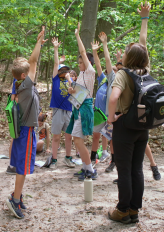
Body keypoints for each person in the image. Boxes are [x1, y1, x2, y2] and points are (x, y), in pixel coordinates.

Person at [107, 2, 151, 224]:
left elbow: (114, 98)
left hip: (124, 126)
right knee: (136, 169)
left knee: (123, 170)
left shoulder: (123, 74)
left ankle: (122, 209)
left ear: (128, 58)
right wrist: (144, 19)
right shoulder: (145, 71)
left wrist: (110, 118)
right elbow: (142, 46)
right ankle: (134, 210)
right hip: (142, 127)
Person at [6, 26, 46, 219]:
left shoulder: (18, 84)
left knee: (22, 167)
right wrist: (38, 42)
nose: (33, 71)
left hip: (24, 131)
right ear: (24, 76)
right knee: (22, 169)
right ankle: (14, 200)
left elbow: (31, 63)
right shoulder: (26, 85)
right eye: (29, 72)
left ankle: (18, 196)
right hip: (26, 132)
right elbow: (33, 60)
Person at [66, 22, 97, 181]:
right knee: (76, 139)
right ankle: (86, 168)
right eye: (78, 63)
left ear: (88, 62)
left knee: (78, 140)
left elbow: (83, 51)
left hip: (85, 109)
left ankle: (91, 170)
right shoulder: (82, 74)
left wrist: (77, 35)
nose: (79, 64)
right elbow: (77, 93)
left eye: (81, 62)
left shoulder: (90, 72)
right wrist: (71, 88)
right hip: (78, 108)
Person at [45, 37, 74, 169]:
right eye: (62, 70)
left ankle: (68, 158)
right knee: (56, 136)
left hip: (69, 110)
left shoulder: (70, 81)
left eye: (66, 70)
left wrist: (69, 80)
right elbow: (56, 64)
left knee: (69, 136)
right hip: (57, 110)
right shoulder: (55, 79)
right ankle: (54, 159)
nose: (64, 72)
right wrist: (55, 48)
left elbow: (77, 92)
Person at [90, 32, 117, 166]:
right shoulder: (103, 80)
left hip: (110, 115)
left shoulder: (117, 83)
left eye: (113, 70)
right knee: (95, 136)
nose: (110, 70)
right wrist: (95, 52)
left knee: (111, 139)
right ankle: (92, 158)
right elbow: (99, 65)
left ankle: (113, 161)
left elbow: (107, 62)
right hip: (99, 114)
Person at [6, 78, 18, 175]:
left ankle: (14, 164)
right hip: (16, 112)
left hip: (18, 112)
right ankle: (12, 165)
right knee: (14, 137)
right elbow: (13, 97)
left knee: (16, 138)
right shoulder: (17, 80)